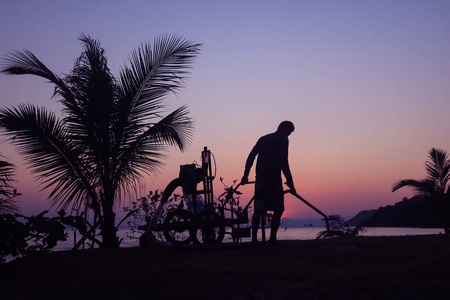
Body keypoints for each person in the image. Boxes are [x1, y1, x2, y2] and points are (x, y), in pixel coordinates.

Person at [241, 121, 296, 246]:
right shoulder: (283, 139)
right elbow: (284, 162)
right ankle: (272, 239)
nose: (288, 135)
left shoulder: (263, 139)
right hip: (274, 180)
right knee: (279, 208)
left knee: (259, 210)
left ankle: (254, 239)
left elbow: (251, 156)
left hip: (260, 180)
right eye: (289, 132)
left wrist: (245, 175)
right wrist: (291, 183)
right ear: (285, 129)